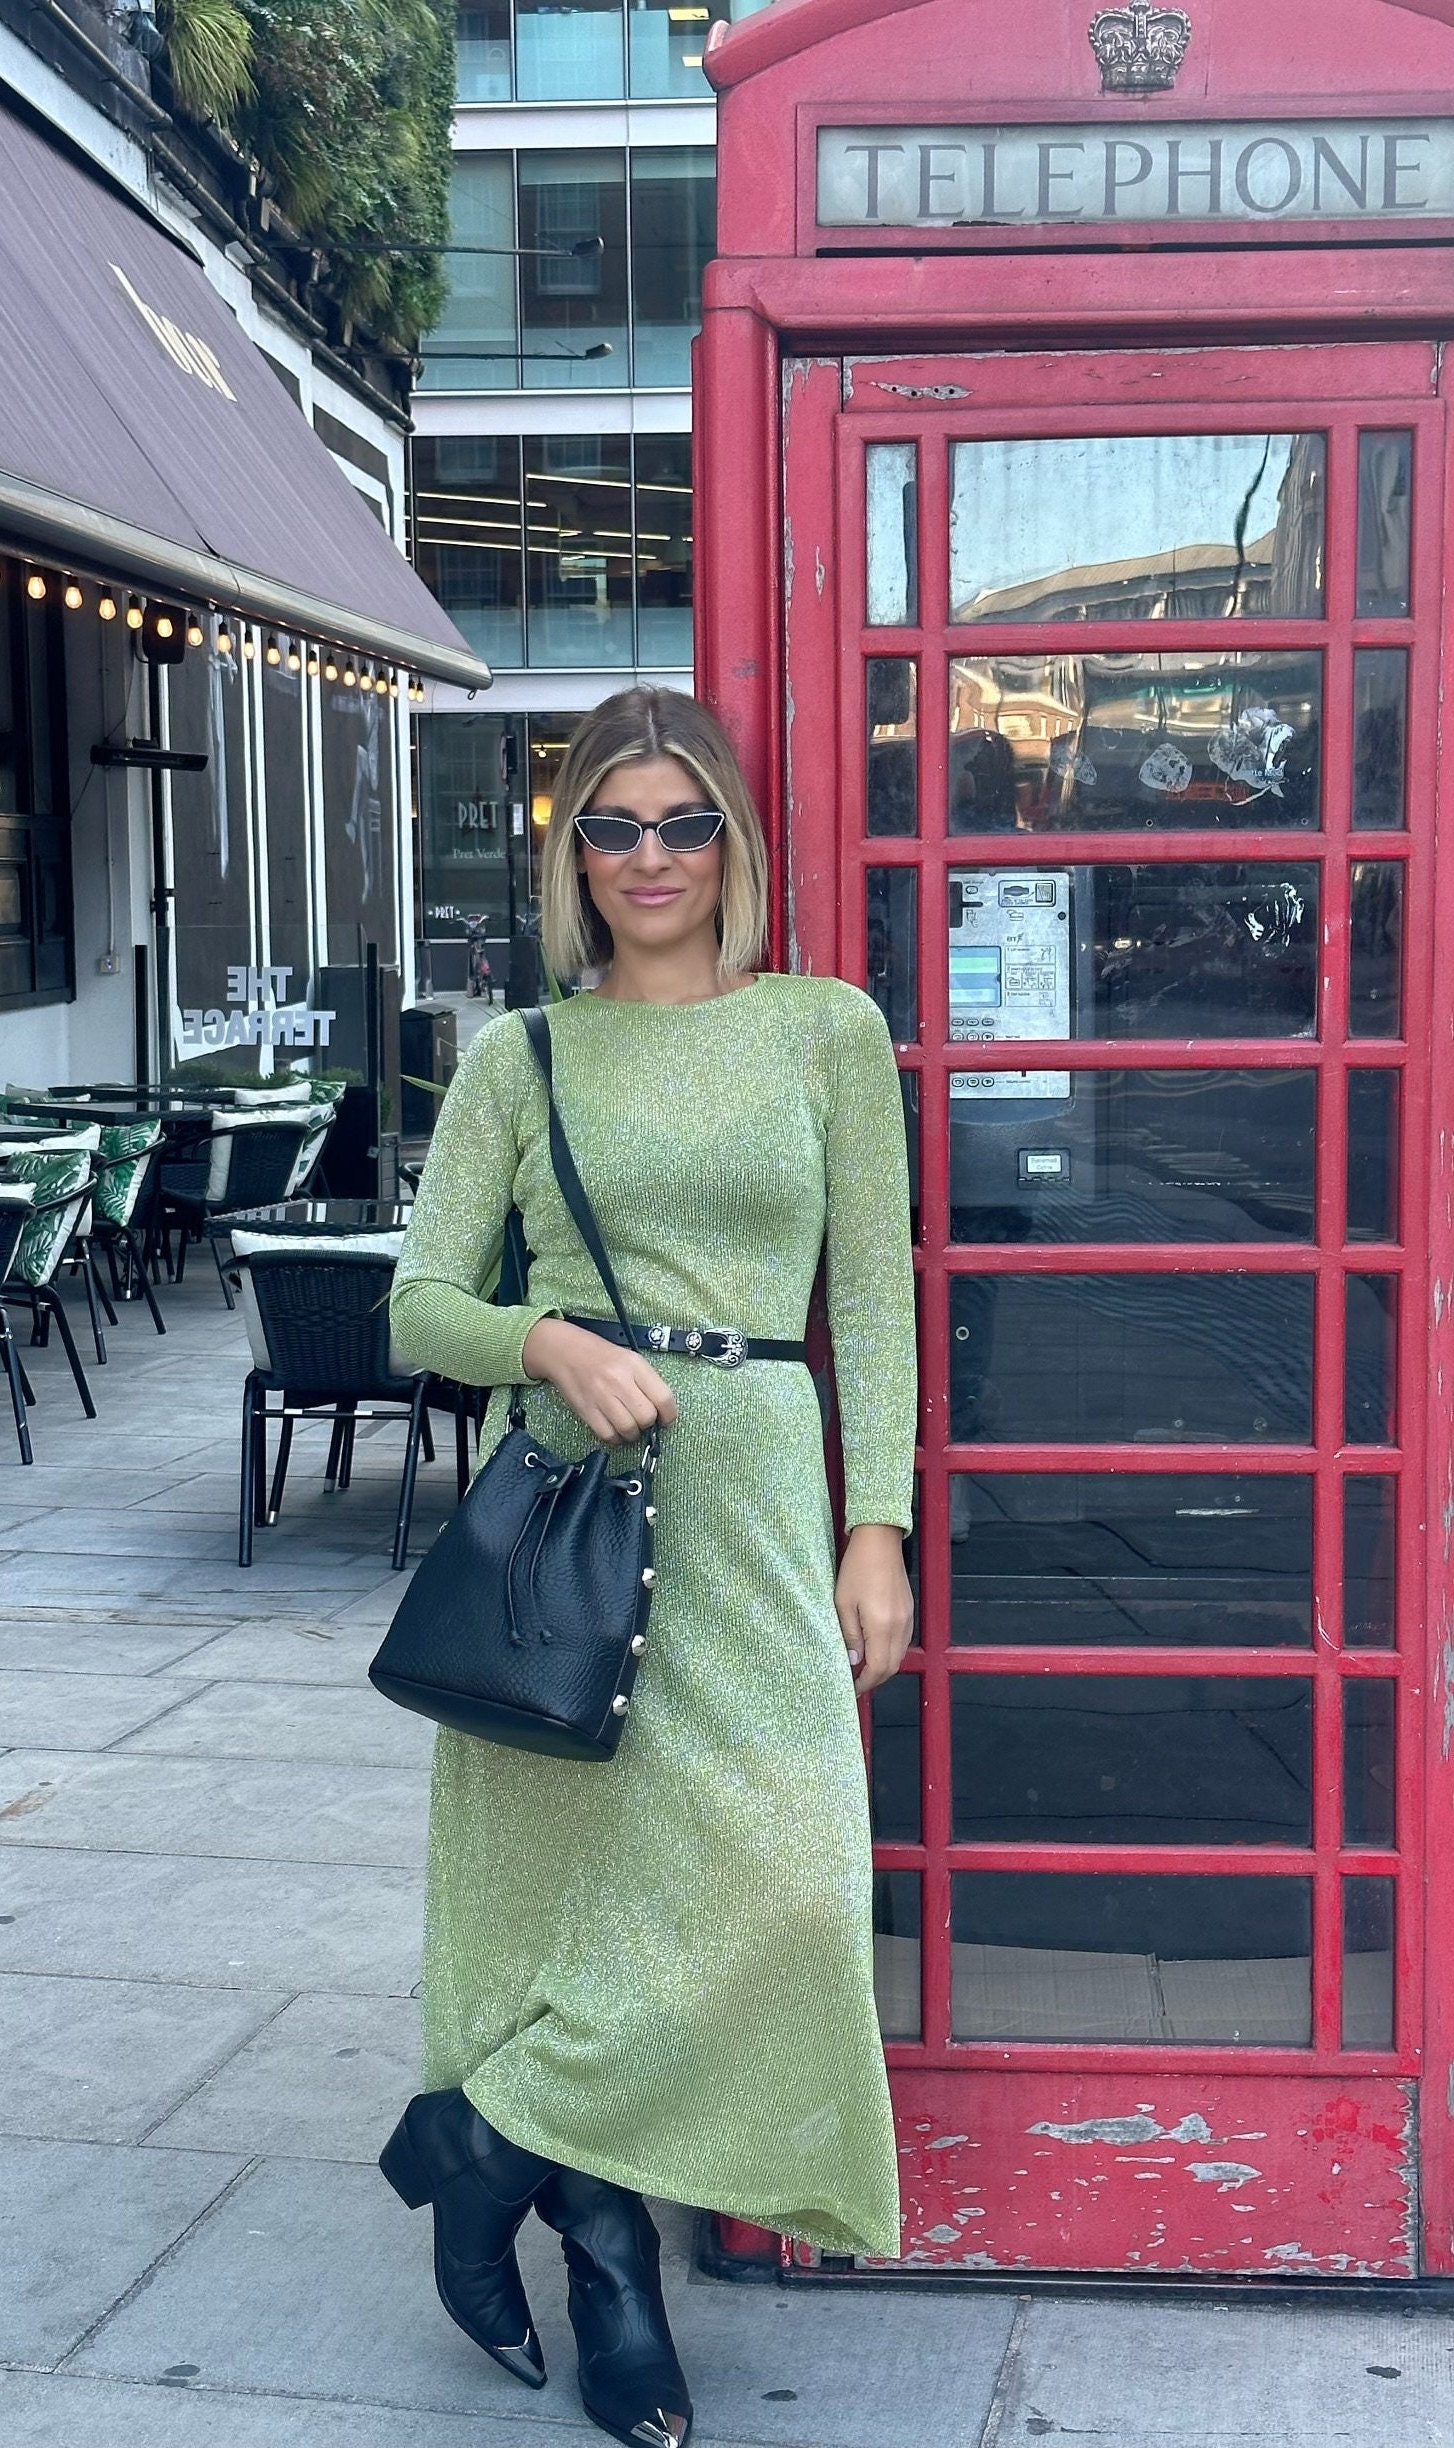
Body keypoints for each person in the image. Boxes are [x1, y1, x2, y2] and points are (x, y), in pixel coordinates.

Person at [384, 686, 917, 2447]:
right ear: (572, 856)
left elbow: (871, 1299)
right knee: (571, 1913)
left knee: (789, 1894)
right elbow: (418, 1306)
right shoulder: (519, 1056)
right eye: (610, 826)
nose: (649, 857)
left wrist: (876, 1526)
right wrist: (544, 1340)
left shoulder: (823, 1030)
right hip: (567, 1522)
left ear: (732, 842)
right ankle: (612, 2271)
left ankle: (478, 2150)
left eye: (683, 821)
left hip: (754, 1510)